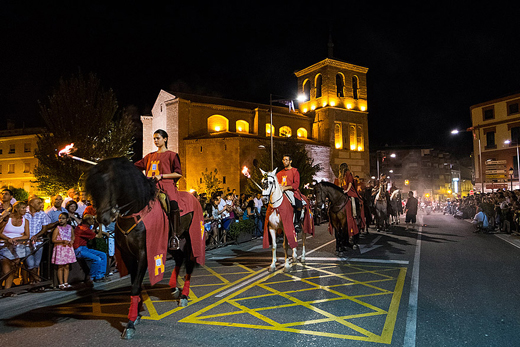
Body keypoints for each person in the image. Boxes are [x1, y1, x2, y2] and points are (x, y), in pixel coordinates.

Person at [134, 129, 182, 232]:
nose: (155, 140)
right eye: (154, 138)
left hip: (166, 186)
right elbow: (134, 166)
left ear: (165, 139)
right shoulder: (149, 156)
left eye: (158, 138)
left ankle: (174, 234)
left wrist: (161, 176)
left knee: (173, 205)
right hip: (150, 187)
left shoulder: (172, 155)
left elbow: (178, 173)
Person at [0, 201, 30, 297]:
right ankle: (4, 288)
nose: (25, 210)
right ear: (16, 209)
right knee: (6, 270)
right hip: (5, 245)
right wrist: (8, 239)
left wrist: (17, 239)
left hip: (18, 246)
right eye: (23, 208)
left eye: (25, 208)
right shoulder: (7, 219)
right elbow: (0, 232)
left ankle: (7, 290)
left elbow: (27, 235)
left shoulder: (25, 220)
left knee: (13, 268)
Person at [24, 195, 51, 288]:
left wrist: (37, 236)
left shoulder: (42, 214)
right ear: (31, 203)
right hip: (26, 243)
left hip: (39, 242)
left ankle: (33, 283)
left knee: (36, 263)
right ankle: (37, 280)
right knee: (30, 264)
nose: (41, 204)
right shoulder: (24, 213)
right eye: (38, 203)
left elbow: (44, 228)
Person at [73, 214, 108, 283]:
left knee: (103, 255)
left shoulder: (83, 226)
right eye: (92, 219)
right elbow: (99, 236)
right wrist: (100, 224)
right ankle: (91, 277)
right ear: (88, 221)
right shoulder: (83, 229)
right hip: (79, 249)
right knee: (97, 259)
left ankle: (100, 276)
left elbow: (92, 231)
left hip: (84, 248)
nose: (93, 220)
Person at [277, 154, 303, 230]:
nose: (284, 161)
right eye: (283, 160)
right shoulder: (279, 173)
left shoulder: (295, 171)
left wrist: (286, 188)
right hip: (281, 192)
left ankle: (297, 222)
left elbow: (296, 184)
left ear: (290, 161)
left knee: (298, 204)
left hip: (292, 191)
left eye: (286, 160)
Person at [51, 212, 76, 289]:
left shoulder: (70, 227)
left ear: (67, 219)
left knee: (67, 266)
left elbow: (73, 236)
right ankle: (61, 283)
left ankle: (66, 282)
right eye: (60, 218)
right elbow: (53, 239)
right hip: (60, 248)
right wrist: (62, 241)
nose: (61, 220)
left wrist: (72, 241)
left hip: (67, 248)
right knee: (60, 266)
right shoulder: (57, 228)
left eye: (63, 218)